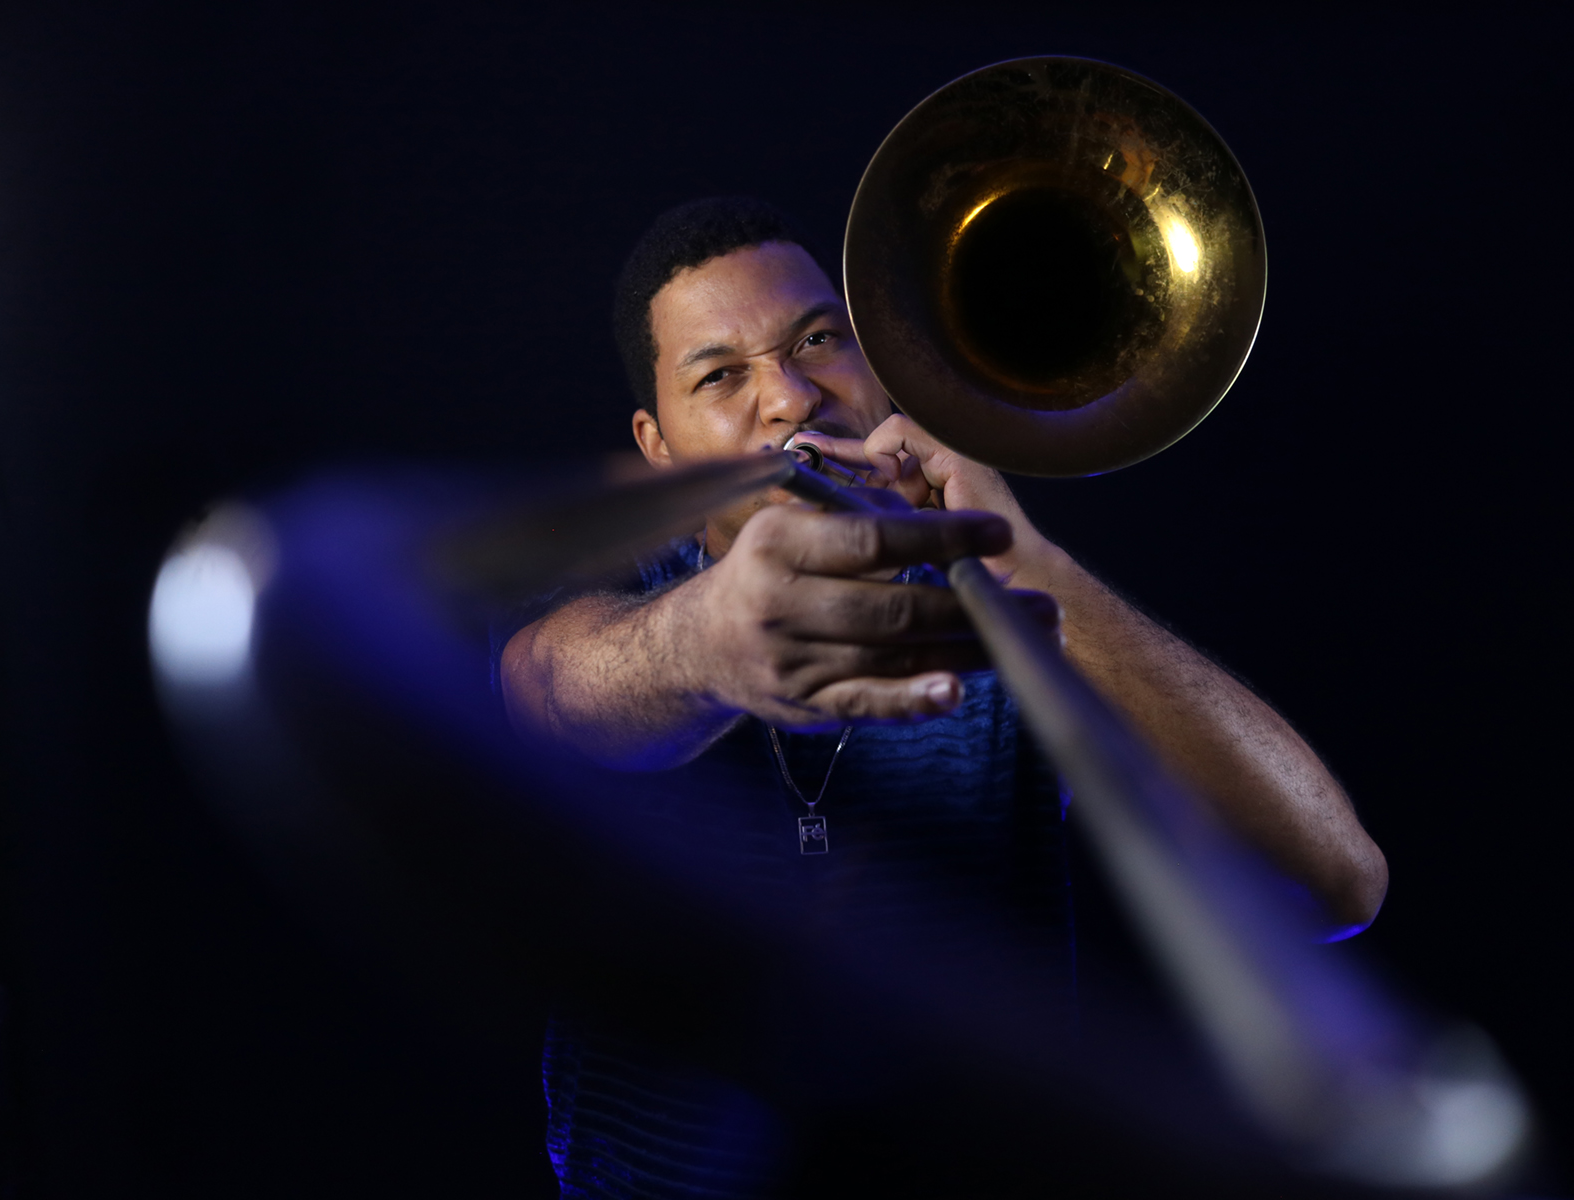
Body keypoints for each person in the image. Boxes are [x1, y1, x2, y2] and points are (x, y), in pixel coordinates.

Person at [500, 197, 1387, 1199]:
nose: (790, 399)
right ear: (657, 442)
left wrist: (1022, 558)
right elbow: (548, 692)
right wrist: (704, 647)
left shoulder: (1006, 618)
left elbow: (1333, 883)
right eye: (721, 376)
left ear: (878, 370)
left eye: (819, 341)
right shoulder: (611, 595)